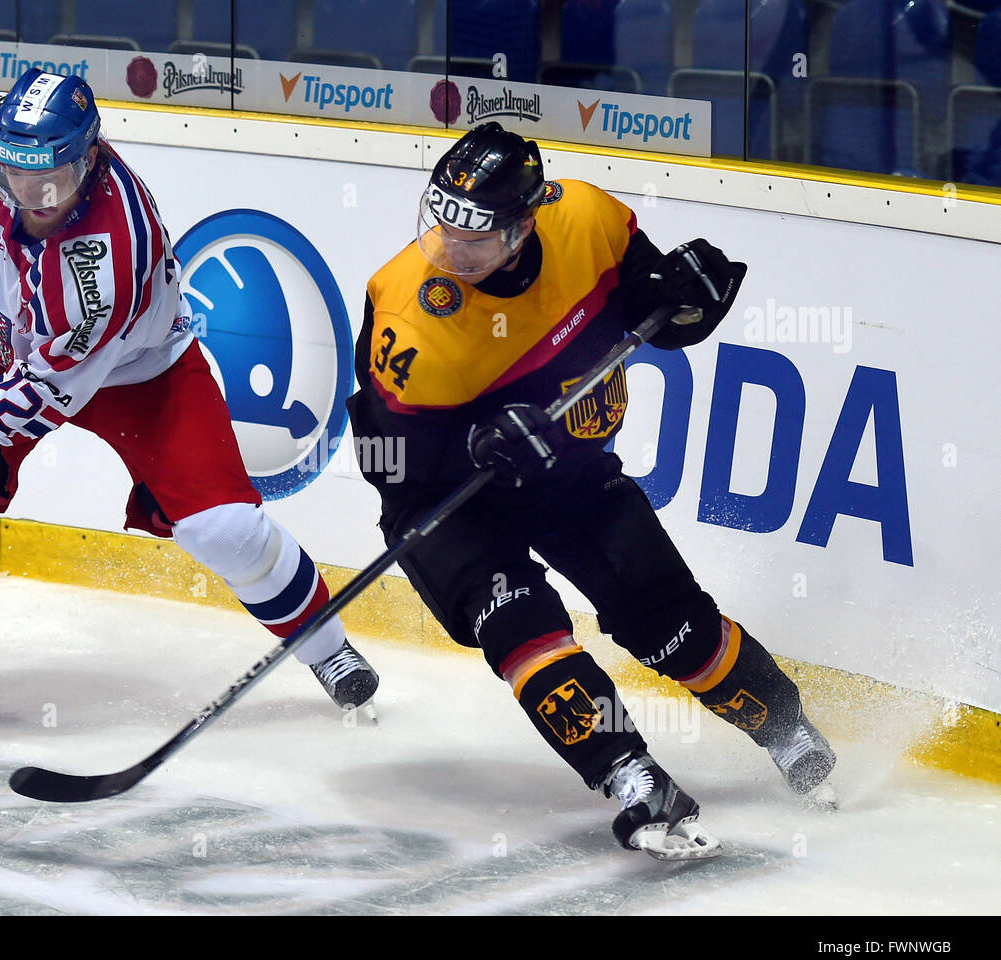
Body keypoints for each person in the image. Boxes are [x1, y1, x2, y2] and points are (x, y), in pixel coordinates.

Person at [0, 69, 378, 716]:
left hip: (141, 373)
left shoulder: (112, 247)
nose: (34, 197)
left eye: (53, 181)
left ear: (89, 158)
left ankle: (328, 647)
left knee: (224, 528)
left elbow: (48, 383)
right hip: (1, 346)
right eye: (16, 176)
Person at [347, 122, 836, 860]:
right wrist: (470, 443)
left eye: (475, 235)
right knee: (520, 625)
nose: (450, 248)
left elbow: (655, 318)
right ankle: (632, 777)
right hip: (447, 502)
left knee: (672, 623)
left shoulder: (588, 220)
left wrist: (693, 297)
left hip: (568, 472)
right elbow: (385, 458)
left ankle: (787, 728)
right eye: (442, 224)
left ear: (526, 223)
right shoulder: (406, 312)